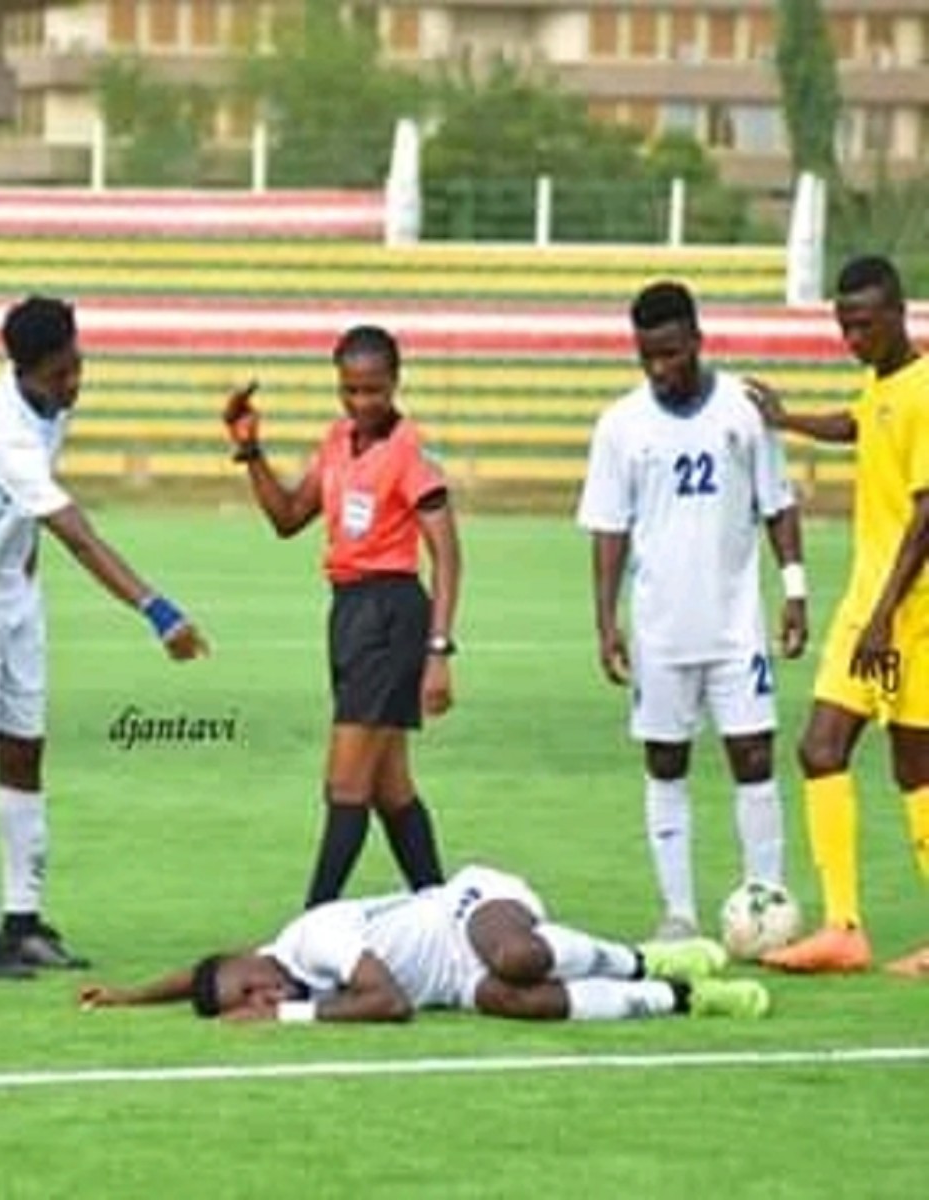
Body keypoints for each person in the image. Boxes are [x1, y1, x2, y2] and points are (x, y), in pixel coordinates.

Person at [0, 294, 208, 979]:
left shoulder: (54, 402)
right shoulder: (6, 431)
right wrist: (157, 610)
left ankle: (23, 922)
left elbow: (31, 519)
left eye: (77, 364)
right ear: (23, 371)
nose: (74, 382)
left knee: (25, 751)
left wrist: (21, 576)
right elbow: (79, 535)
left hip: (16, 590)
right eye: (59, 374)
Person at [576, 281, 808, 940]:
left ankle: (765, 909)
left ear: (697, 341)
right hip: (660, 631)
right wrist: (605, 620)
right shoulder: (621, 425)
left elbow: (778, 504)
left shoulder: (744, 408)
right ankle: (678, 913)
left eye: (672, 354)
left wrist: (794, 590)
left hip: (737, 624)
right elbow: (609, 529)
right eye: (647, 356)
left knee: (755, 758)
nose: (660, 369)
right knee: (666, 763)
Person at [221, 325, 456, 910]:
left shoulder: (408, 453)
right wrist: (250, 450)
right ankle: (442, 911)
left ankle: (311, 924)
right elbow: (287, 518)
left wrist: (439, 652)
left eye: (373, 390)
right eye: (350, 390)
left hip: (392, 614)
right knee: (388, 787)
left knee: (344, 784)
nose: (361, 403)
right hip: (349, 613)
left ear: (395, 383)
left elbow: (448, 556)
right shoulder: (336, 440)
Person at [749, 254, 929, 977]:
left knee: (917, 769)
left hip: (911, 611)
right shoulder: (883, 382)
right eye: (843, 325)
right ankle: (844, 926)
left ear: (898, 314)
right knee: (821, 748)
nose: (851, 338)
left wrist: (886, 612)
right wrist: (786, 417)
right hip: (869, 606)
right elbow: (858, 425)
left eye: (863, 324)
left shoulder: (925, 389)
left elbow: (927, 514)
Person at [77, 863, 770, 1024]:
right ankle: (681, 996)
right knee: (515, 1001)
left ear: (254, 956)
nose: (263, 997)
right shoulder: (262, 972)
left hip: (467, 907)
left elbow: (392, 1003)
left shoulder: (315, 939)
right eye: (252, 1000)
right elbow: (203, 979)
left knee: (517, 959)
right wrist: (128, 997)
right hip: (452, 982)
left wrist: (285, 1017)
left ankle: (642, 956)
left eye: (254, 987)